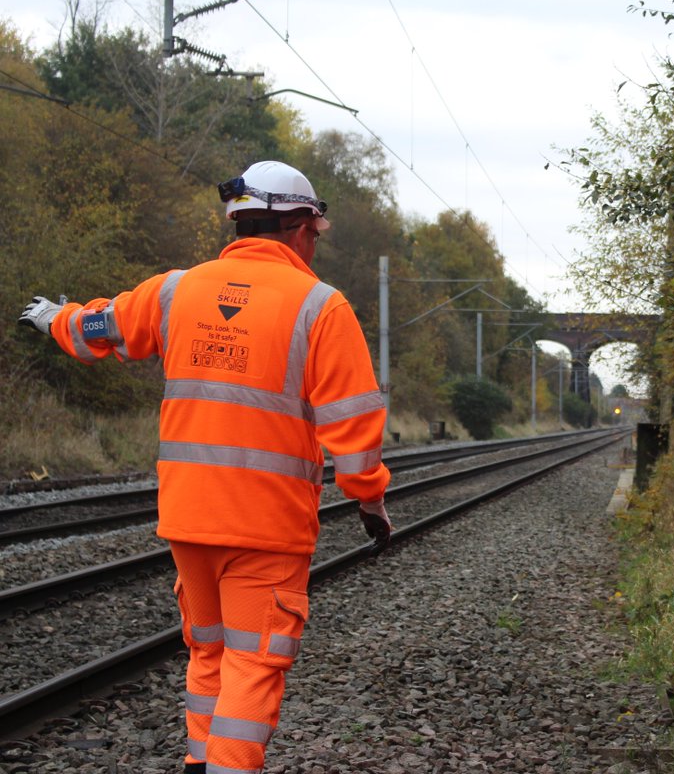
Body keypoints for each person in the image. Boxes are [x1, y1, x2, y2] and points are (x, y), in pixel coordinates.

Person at [18, 160, 393, 774]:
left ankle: (201, 762)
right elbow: (354, 435)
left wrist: (48, 319)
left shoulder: (176, 290)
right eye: (315, 234)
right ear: (300, 226)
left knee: (211, 652)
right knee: (255, 662)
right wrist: (371, 503)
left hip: (189, 521)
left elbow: (97, 326)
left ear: (239, 224)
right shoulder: (321, 308)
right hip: (265, 530)